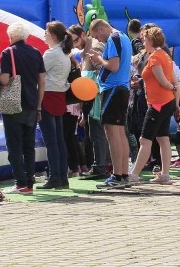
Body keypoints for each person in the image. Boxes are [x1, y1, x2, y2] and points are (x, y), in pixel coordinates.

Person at [0, 22, 46, 194]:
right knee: (28, 146)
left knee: (14, 146)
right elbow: (42, 81)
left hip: (13, 105)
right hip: (33, 104)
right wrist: (39, 106)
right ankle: (30, 184)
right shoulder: (36, 53)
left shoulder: (7, 52)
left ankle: (20, 183)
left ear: (11, 36)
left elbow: (4, 80)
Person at [128, 26, 179, 185]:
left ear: (151, 40)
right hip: (166, 102)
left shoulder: (156, 57)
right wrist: (175, 99)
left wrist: (172, 88)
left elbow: (163, 80)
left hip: (159, 103)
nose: (143, 41)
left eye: (144, 38)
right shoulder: (164, 55)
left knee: (145, 139)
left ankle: (134, 174)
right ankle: (165, 174)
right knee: (163, 138)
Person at [88, 19, 134, 189]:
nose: (99, 40)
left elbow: (113, 66)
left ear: (102, 28)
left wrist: (99, 59)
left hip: (114, 88)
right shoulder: (123, 37)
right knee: (120, 133)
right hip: (122, 88)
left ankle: (117, 175)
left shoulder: (113, 38)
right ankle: (122, 175)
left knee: (112, 134)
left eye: (97, 36)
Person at [67, 24, 107, 177]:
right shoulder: (85, 51)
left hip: (97, 97)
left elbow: (102, 71)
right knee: (94, 134)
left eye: (75, 41)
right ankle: (99, 165)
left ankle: (100, 166)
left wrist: (95, 88)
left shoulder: (94, 47)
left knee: (98, 133)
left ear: (83, 34)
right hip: (91, 98)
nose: (75, 45)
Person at [38, 21, 72, 190]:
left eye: (46, 32)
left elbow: (39, 73)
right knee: (59, 140)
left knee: (52, 141)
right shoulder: (64, 53)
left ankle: (54, 177)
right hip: (59, 96)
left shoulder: (52, 53)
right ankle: (62, 177)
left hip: (48, 96)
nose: (44, 34)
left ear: (52, 35)